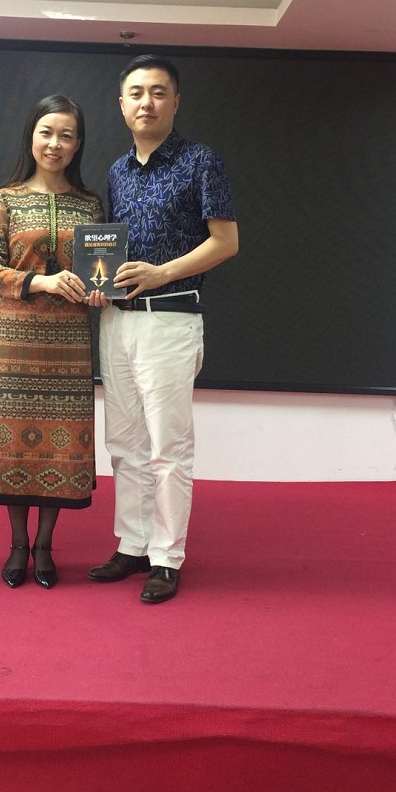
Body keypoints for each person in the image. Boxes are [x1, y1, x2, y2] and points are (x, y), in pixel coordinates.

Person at [87, 55, 238, 603]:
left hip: (171, 319)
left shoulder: (201, 161)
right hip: (117, 321)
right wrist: (101, 283)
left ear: (175, 101)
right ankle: (132, 544)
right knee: (124, 443)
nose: (145, 102)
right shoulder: (117, 171)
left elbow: (226, 242)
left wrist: (161, 273)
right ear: (121, 104)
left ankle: (166, 557)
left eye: (157, 92)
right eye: (135, 93)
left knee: (167, 449)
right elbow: (110, 252)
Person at [0, 94, 104, 588]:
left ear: (78, 144)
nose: (55, 143)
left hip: (69, 342)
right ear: (31, 137)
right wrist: (41, 281)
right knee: (14, 446)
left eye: (66, 135)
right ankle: (18, 545)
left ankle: (45, 546)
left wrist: (99, 291)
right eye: (47, 132)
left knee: (59, 445)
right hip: (13, 339)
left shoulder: (89, 204)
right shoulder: (4, 198)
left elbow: (98, 273)